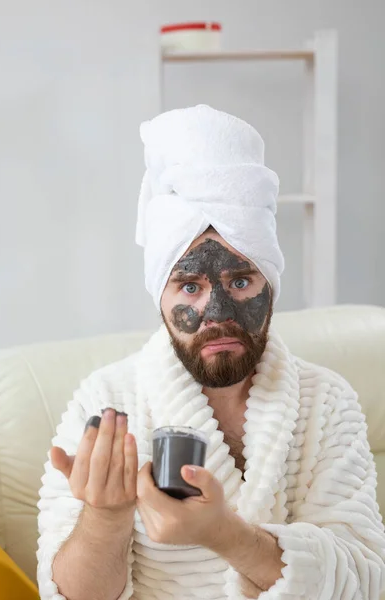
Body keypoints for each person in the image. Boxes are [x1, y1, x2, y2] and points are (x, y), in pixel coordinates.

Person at [37, 105, 385, 600]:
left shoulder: (326, 402)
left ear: (272, 283)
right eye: (190, 286)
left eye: (240, 280)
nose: (217, 312)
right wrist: (103, 517)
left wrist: (225, 534)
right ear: (160, 296)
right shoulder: (107, 401)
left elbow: (367, 581)